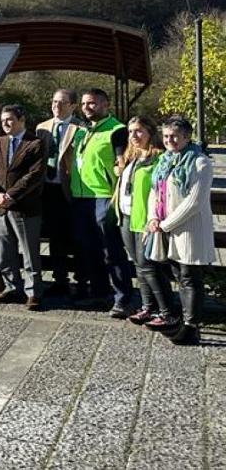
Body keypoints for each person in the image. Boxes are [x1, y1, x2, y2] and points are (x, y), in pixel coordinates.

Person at [144, 116, 214, 345]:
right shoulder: (165, 161)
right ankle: (183, 320)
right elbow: (155, 191)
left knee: (190, 277)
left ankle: (192, 326)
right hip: (168, 228)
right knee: (177, 275)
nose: (169, 140)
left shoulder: (200, 162)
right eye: (165, 136)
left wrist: (164, 225)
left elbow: (194, 201)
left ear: (186, 137)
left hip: (189, 230)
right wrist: (153, 217)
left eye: (174, 136)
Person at [65, 88, 132, 316]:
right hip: (81, 197)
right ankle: (99, 294)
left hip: (104, 196)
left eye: (92, 103)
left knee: (111, 250)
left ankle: (122, 298)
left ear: (105, 105)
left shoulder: (117, 130)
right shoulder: (83, 131)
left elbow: (123, 162)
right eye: (84, 104)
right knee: (89, 249)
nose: (87, 108)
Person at [0, 105, 47, 310]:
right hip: (1, 207)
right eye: (2, 120)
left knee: (29, 251)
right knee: (6, 251)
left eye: (10, 119)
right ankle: (12, 287)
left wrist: (11, 195)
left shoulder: (35, 143)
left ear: (21, 120)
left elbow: (35, 175)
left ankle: (33, 292)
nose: (5, 123)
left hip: (24, 207)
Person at [114, 116, 167, 326]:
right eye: (130, 131)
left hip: (146, 220)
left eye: (138, 131)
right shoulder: (133, 157)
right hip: (127, 217)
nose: (133, 136)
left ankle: (165, 309)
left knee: (149, 266)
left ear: (150, 133)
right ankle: (147, 307)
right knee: (138, 265)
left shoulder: (159, 158)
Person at [35, 89, 81, 297]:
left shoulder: (81, 128)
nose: (57, 106)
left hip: (71, 190)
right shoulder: (41, 128)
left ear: (73, 105)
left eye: (62, 102)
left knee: (77, 237)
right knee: (55, 239)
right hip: (48, 189)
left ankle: (82, 280)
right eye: (54, 101)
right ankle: (60, 280)